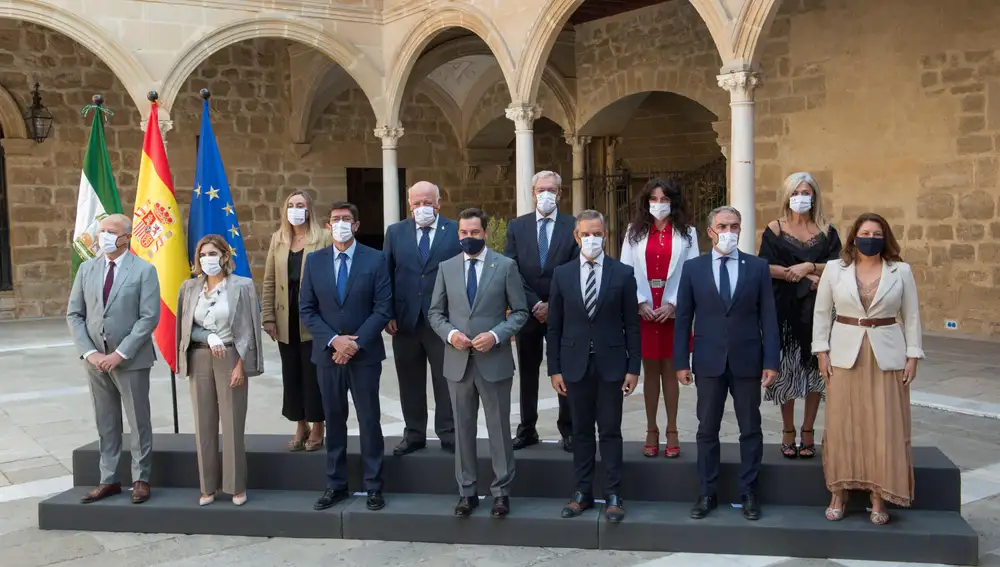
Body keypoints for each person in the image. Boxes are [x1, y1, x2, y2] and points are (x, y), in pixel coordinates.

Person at [812, 212, 922, 525]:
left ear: (884, 238)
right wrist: (821, 351)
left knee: (884, 425)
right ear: (853, 237)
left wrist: (913, 356)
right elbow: (822, 314)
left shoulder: (901, 271)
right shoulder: (835, 269)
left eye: (876, 234)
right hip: (844, 353)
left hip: (887, 354)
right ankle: (839, 492)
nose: (870, 239)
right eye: (865, 233)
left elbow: (911, 317)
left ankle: (879, 495)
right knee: (843, 421)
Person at [674, 206, 779, 521]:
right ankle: (707, 491)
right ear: (710, 231)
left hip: (748, 359)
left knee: (751, 428)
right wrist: (681, 360)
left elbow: (768, 318)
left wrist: (771, 360)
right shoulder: (693, 269)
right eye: (723, 226)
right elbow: (683, 319)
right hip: (708, 360)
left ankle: (749, 492)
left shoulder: (758, 267)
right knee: (707, 429)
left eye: (735, 226)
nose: (729, 231)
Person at [427, 208, 529, 518]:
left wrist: (497, 336)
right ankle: (467, 492)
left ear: (484, 232)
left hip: (493, 360)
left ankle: (501, 492)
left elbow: (521, 312)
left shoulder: (506, 266)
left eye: (474, 233)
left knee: (499, 429)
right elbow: (435, 313)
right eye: (463, 233)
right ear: (457, 234)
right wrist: (451, 334)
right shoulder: (446, 267)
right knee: (462, 429)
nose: (468, 238)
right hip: (458, 361)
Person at [548, 210, 641, 523]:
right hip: (574, 366)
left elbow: (632, 324)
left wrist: (633, 368)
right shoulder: (562, 275)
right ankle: (582, 492)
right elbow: (555, 327)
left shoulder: (623, 273)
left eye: (597, 234)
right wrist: (554, 369)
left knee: (611, 431)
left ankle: (613, 493)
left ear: (605, 235)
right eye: (586, 234)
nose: (592, 239)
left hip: (612, 365)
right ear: (576, 237)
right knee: (581, 432)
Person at [300, 201, 391, 512]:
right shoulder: (314, 262)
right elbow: (307, 309)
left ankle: (374, 485)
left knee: (369, 420)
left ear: (356, 225)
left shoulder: (376, 259)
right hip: (328, 356)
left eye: (346, 219)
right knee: (334, 421)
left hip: (364, 356)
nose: (340, 223)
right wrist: (334, 341)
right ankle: (335, 484)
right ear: (328, 225)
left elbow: (383, 308)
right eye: (335, 219)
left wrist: (355, 343)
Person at [67, 213, 160, 504]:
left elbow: (148, 318)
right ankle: (108, 479)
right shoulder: (86, 269)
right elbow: (75, 314)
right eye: (101, 231)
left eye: (110, 231)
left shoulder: (144, 270)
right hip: (95, 361)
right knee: (105, 421)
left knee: (138, 421)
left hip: (130, 359)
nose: (103, 236)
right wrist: (91, 352)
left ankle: (141, 478)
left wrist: (119, 354)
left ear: (125, 237)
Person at [176, 234, 263, 506]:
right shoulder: (189, 288)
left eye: (212, 254)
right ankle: (207, 486)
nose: (207, 259)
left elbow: (249, 327)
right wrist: (207, 336)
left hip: (230, 356)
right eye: (202, 254)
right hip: (200, 356)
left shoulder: (242, 286)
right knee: (204, 423)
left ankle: (236, 486)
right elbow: (185, 325)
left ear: (224, 256)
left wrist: (240, 364)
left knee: (232, 422)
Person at [759, 173, 841, 459]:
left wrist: (809, 267)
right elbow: (765, 265)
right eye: (796, 192)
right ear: (787, 195)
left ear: (814, 195)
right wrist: (793, 273)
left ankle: (808, 430)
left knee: (815, 371)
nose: (801, 197)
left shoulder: (827, 229)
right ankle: (787, 430)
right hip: (785, 308)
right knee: (788, 371)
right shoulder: (775, 229)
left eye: (806, 191)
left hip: (817, 309)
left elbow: (838, 264)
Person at [620, 178, 699, 459]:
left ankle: (673, 430)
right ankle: (651, 429)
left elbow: (693, 271)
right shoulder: (634, 232)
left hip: (672, 309)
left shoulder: (687, 233)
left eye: (664, 199)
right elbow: (626, 270)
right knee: (650, 371)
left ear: (673, 202)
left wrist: (675, 304)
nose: (658, 205)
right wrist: (639, 302)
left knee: (671, 370)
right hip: (645, 308)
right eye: (653, 200)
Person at [384, 181, 461, 456]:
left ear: (438, 203)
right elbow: (386, 274)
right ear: (409, 205)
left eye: (427, 202)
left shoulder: (454, 230)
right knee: (409, 381)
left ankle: (449, 434)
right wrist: (387, 313)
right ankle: (414, 434)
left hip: (443, 320)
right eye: (416, 203)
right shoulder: (395, 232)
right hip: (405, 322)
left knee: (445, 381)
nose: (422, 207)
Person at [505, 171, 579, 451]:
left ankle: (568, 428)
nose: (545, 194)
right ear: (532, 192)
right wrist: (534, 303)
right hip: (527, 311)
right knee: (527, 371)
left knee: (564, 369)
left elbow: (575, 268)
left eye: (551, 189)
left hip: (562, 311)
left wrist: (553, 305)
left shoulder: (572, 225)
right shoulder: (517, 226)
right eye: (540, 189)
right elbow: (512, 268)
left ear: (560, 193)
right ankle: (527, 428)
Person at [262, 190, 332, 453]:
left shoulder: (323, 238)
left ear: (309, 209)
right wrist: (267, 315)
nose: (295, 209)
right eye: (291, 205)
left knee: (313, 373)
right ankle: (299, 423)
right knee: (291, 373)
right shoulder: (278, 239)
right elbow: (269, 278)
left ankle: (317, 425)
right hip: (285, 315)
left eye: (300, 204)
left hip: (313, 317)